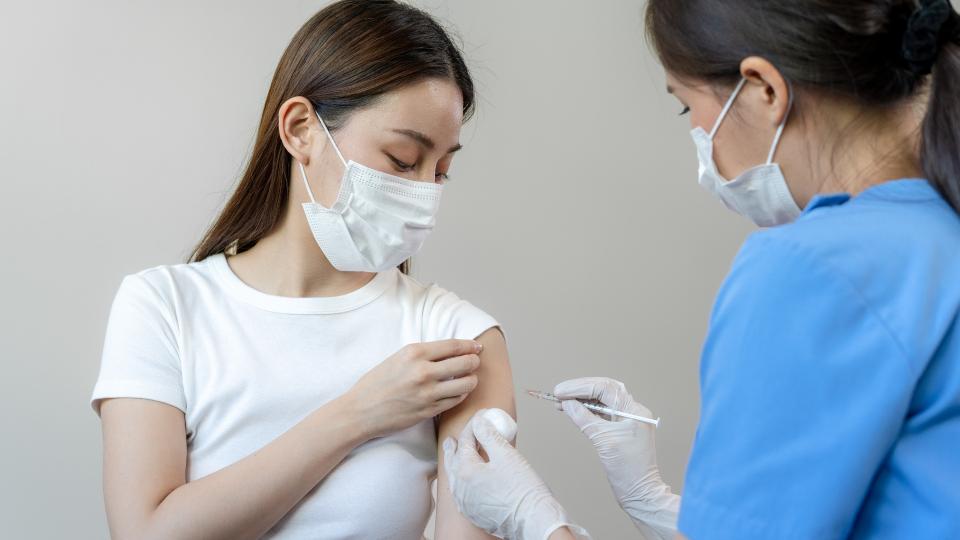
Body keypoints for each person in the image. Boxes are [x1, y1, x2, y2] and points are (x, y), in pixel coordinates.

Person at [444, 0, 960, 538]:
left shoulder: (812, 269)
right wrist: (653, 502)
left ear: (764, 89)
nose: (699, 136)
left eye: (686, 107)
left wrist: (536, 521)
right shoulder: (936, 235)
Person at [89, 1, 518, 538]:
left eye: (442, 172)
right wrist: (357, 414)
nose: (422, 194)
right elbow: (145, 533)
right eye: (404, 159)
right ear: (299, 129)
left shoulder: (456, 340)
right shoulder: (163, 307)